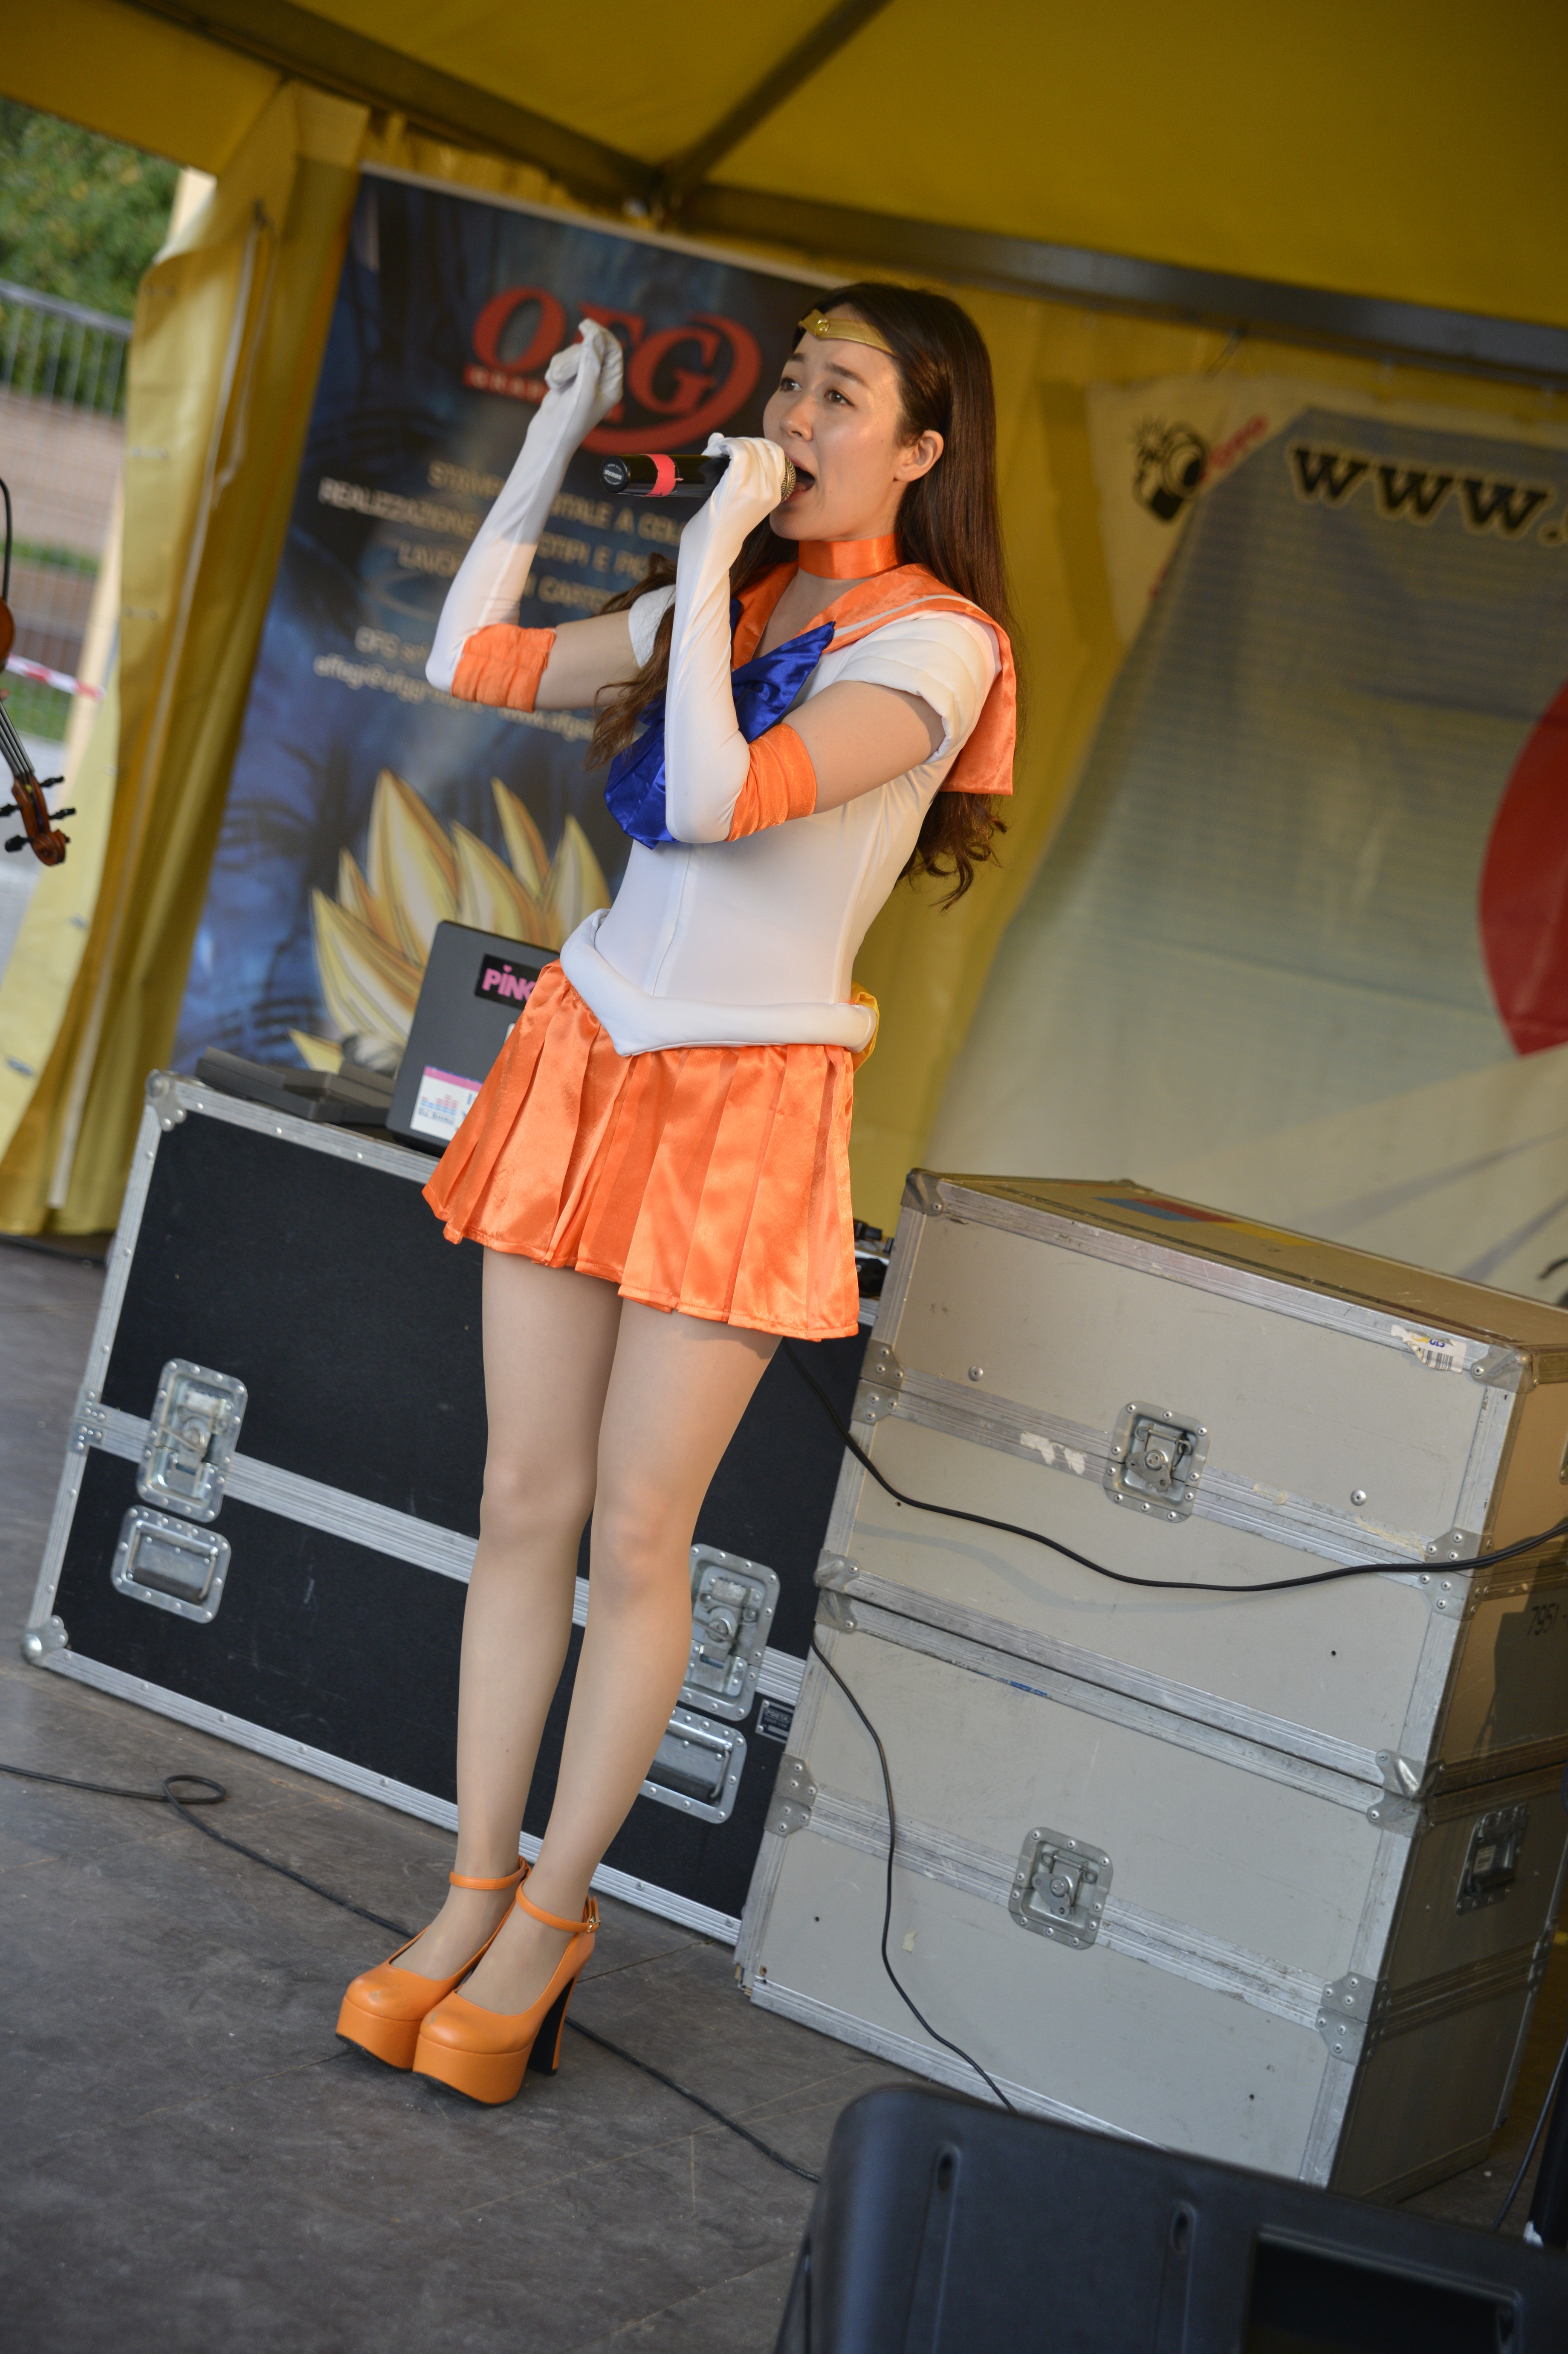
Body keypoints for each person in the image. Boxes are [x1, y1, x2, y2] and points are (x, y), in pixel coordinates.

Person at [336, 284, 1017, 2105]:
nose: (794, 410)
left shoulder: (939, 646)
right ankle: (470, 1888)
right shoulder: (728, 593)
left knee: (640, 1537)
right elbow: (472, 660)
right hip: (590, 1046)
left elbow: (718, 803)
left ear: (922, 448)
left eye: (839, 391)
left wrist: (713, 561)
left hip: (745, 1095)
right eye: (790, 377)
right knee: (520, 1498)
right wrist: (552, 439)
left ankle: (555, 1919)